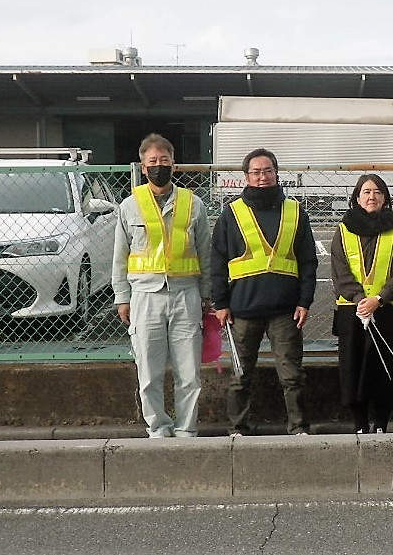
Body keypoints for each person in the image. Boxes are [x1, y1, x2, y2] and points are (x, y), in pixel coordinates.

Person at [211, 148, 318, 435]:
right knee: (239, 376)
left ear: (276, 173)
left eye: (267, 171)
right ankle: (238, 429)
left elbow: (308, 261)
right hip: (241, 312)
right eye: (256, 172)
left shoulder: (295, 211)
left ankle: (298, 428)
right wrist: (220, 303)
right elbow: (217, 261)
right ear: (246, 177)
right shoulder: (231, 214)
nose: (262, 177)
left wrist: (305, 301)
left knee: (292, 376)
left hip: (286, 311)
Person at [112, 133, 212, 438]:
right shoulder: (130, 206)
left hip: (186, 295)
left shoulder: (193, 204)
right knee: (149, 373)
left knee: (189, 373)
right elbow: (120, 255)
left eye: (164, 161)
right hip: (145, 296)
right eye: (153, 162)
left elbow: (205, 252)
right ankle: (157, 428)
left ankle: (186, 429)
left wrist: (207, 295)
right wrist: (122, 297)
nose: (159, 166)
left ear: (174, 165)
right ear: (143, 167)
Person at [330, 174, 393, 434]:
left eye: (377, 192)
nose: (371, 196)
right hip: (352, 311)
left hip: (386, 310)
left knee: (384, 367)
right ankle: (359, 423)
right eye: (366, 192)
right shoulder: (343, 231)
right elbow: (339, 270)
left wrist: (378, 299)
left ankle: (380, 422)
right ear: (357, 198)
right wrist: (359, 299)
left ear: (385, 198)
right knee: (353, 367)